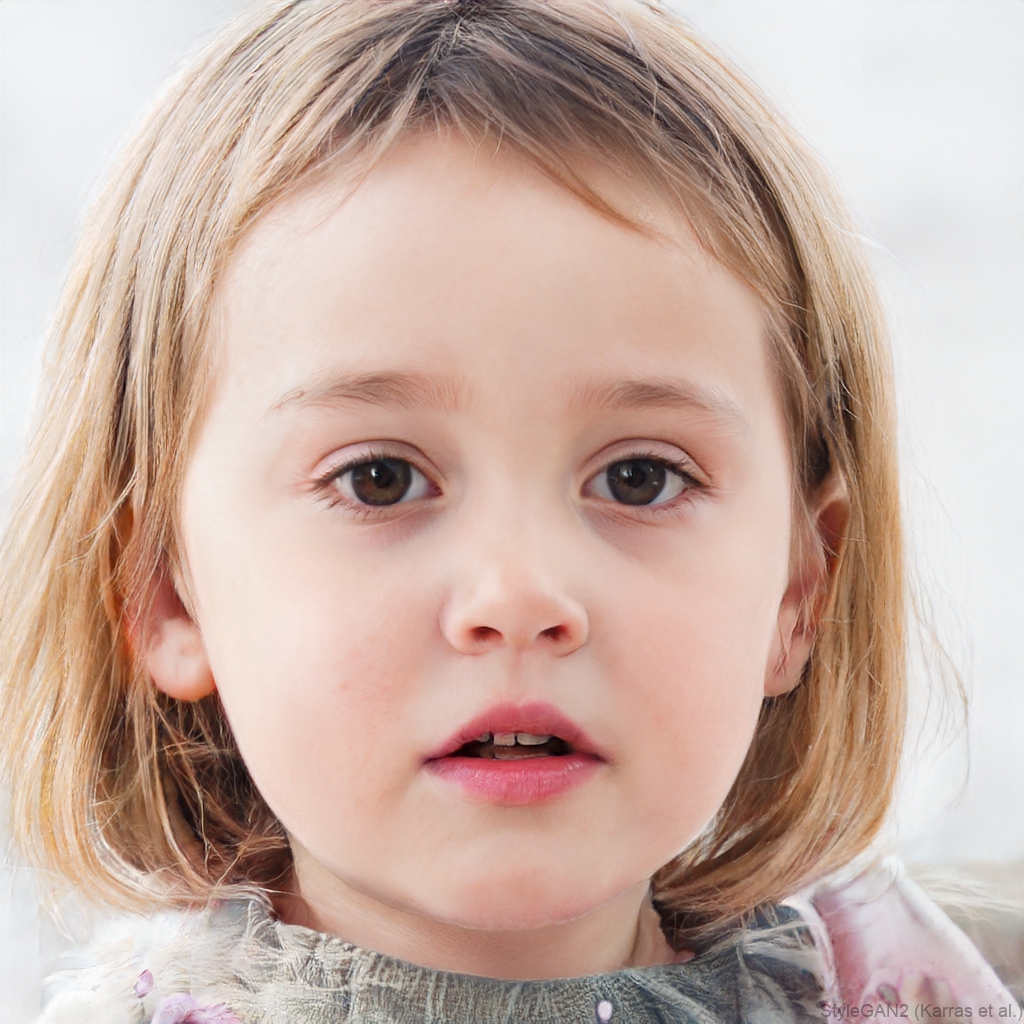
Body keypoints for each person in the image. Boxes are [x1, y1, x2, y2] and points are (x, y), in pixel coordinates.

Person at [0, 1, 1015, 1021]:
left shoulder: (901, 996)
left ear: (800, 589)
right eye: (379, 479)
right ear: (165, 594)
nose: (520, 595)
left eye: (640, 478)